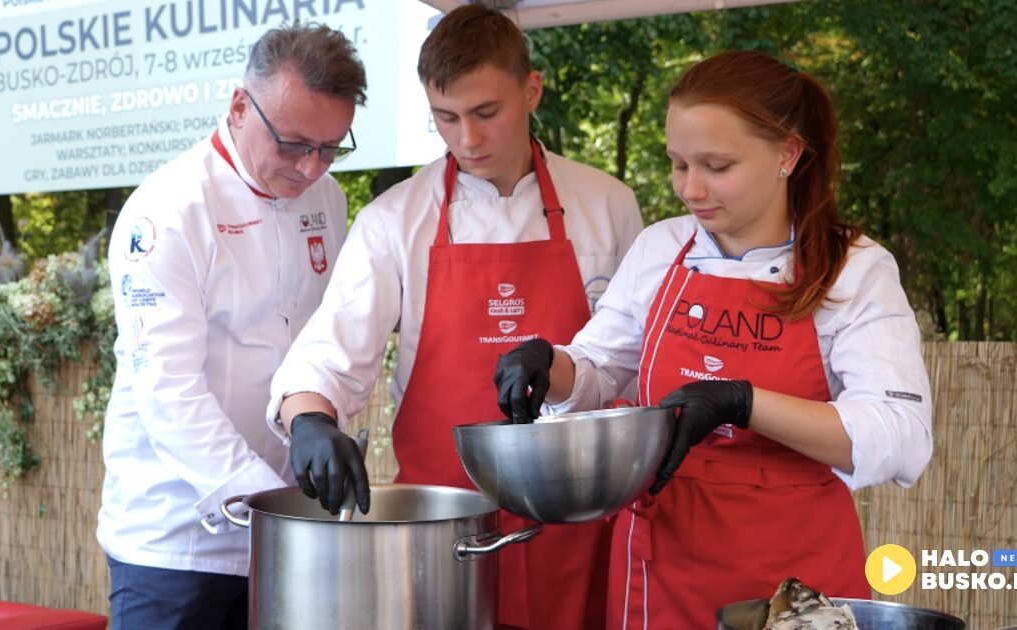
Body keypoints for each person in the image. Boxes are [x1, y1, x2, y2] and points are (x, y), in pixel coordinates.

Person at [494, 49, 934, 628]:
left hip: (791, 589)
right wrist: (549, 364)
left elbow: (901, 437)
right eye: (678, 164)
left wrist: (743, 402)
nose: (690, 189)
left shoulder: (854, 270)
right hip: (661, 571)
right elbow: (599, 367)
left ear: (788, 153)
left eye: (717, 166)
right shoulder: (661, 249)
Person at [266, 6, 643, 629]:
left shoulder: (608, 205)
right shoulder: (394, 220)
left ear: (532, 88)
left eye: (485, 113)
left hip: (579, 528)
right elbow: (332, 348)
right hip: (443, 532)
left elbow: (629, 364)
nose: (466, 139)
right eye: (446, 117)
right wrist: (309, 418)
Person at [97, 22, 366, 629]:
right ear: (240, 105)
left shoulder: (329, 201)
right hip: (172, 541)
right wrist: (269, 499)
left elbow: (326, 339)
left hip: (289, 534)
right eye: (295, 144)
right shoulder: (167, 212)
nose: (310, 168)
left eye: (331, 148)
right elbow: (167, 391)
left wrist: (320, 423)